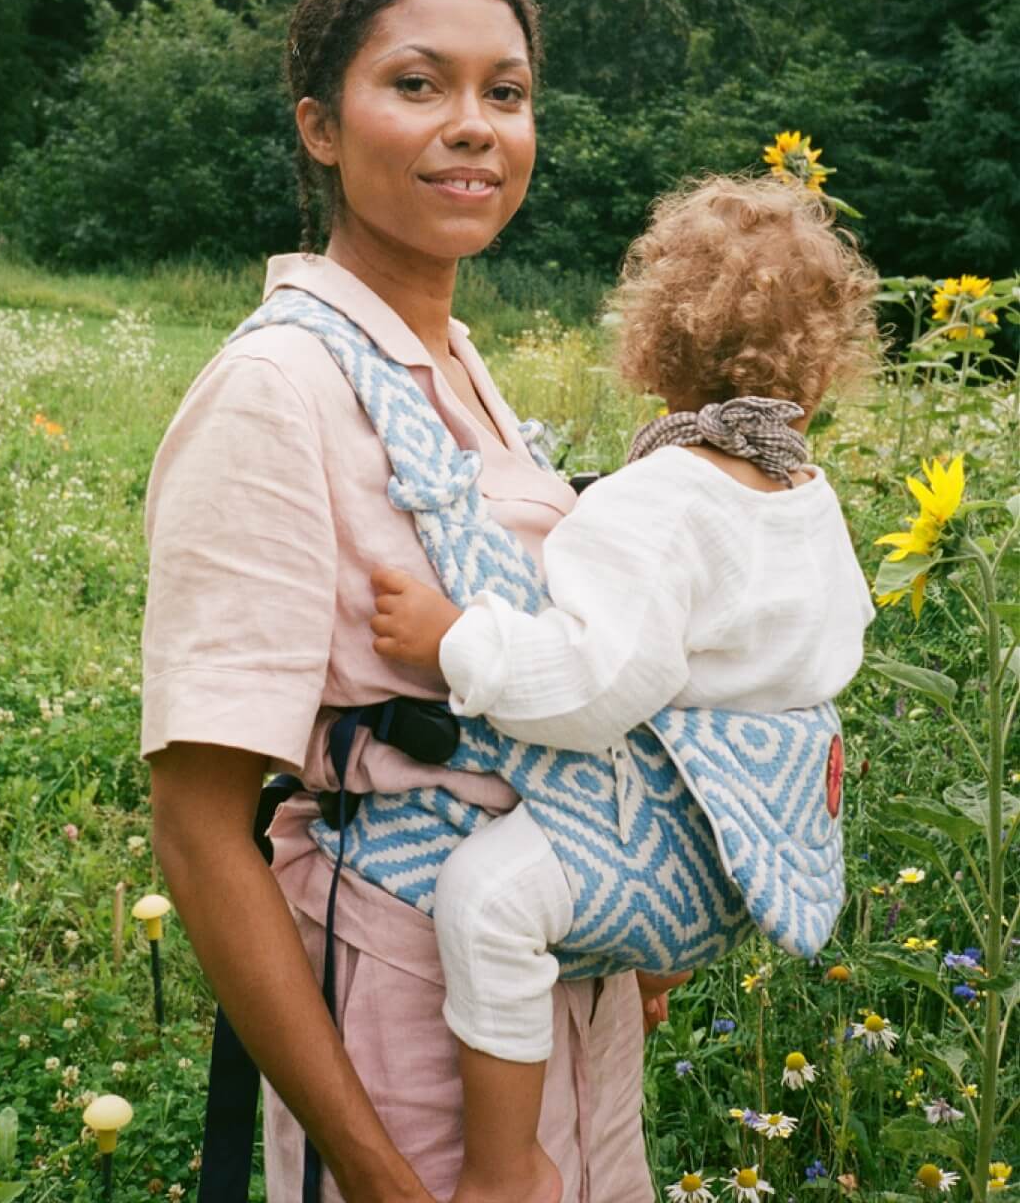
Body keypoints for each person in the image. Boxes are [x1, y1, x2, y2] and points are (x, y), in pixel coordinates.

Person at [141, 0, 685, 1203]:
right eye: (418, 84)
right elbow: (197, 825)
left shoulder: (460, 371)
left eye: (505, 93)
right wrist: (374, 1170)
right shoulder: (276, 389)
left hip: (556, 977)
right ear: (321, 127)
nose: (474, 128)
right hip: (402, 1010)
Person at [369, 174, 880, 1203]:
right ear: (821, 374)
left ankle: (505, 1166)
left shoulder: (655, 499)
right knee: (608, 859)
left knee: (486, 901)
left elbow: (600, 686)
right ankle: (647, 960)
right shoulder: (807, 496)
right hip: (751, 846)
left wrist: (457, 640)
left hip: (657, 830)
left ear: (655, 345)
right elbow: (841, 636)